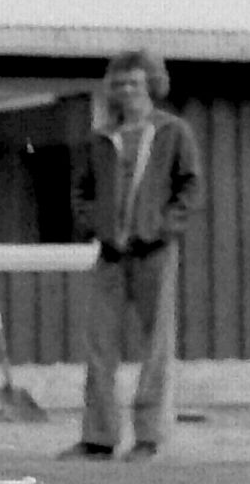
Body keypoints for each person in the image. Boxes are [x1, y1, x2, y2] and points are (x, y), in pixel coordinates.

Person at [67, 49, 202, 461]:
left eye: (135, 83)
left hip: (154, 253)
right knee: (99, 345)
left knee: (156, 347)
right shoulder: (100, 137)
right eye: (120, 83)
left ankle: (148, 437)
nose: (127, 90)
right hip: (111, 255)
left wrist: (161, 229)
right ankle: (98, 437)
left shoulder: (173, 132)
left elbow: (189, 187)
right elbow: (82, 191)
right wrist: (95, 225)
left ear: (152, 86)